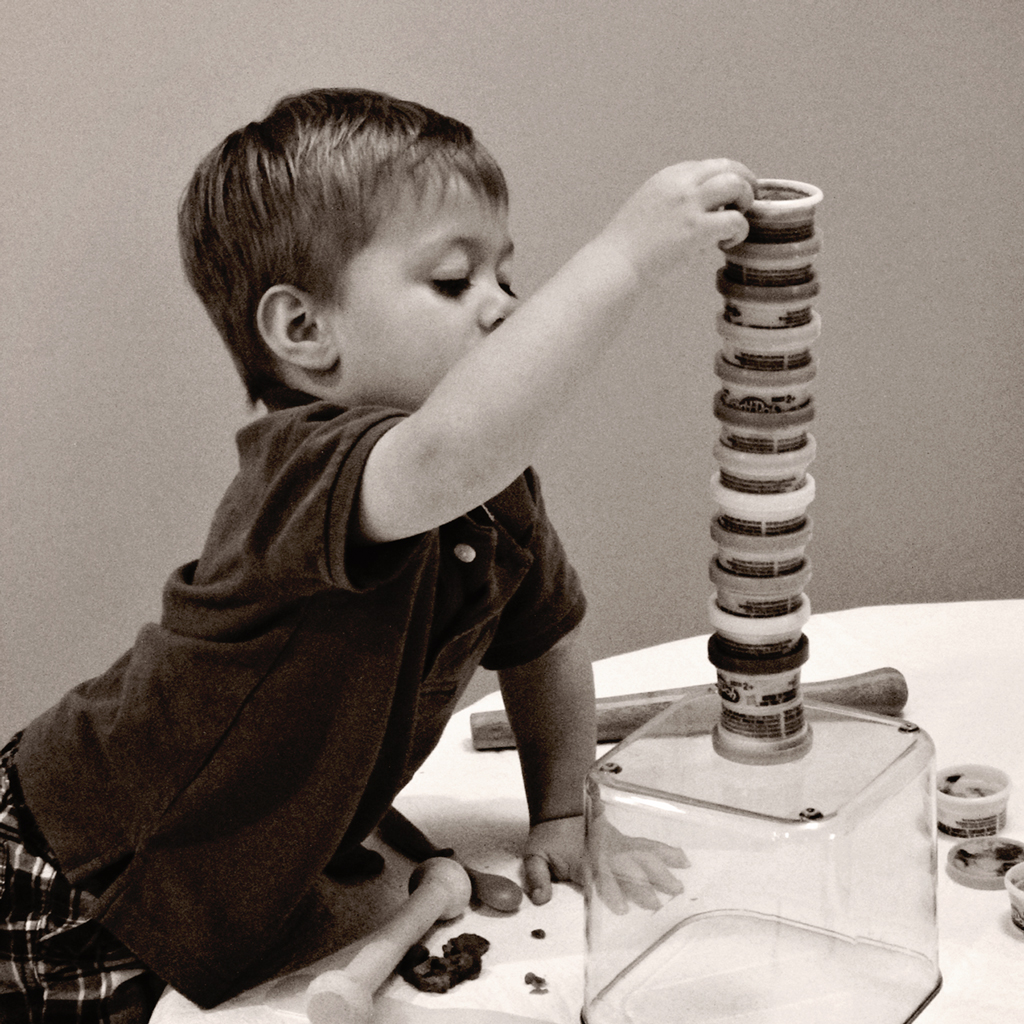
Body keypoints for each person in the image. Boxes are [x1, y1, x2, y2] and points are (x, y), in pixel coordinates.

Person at [0, 88, 755, 1021]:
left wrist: (560, 809)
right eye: (453, 283)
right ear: (304, 333)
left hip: (247, 885)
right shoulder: (301, 469)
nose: (504, 309)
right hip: (78, 862)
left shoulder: (490, 491)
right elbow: (446, 453)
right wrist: (622, 260)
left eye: (506, 279)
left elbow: (543, 641)